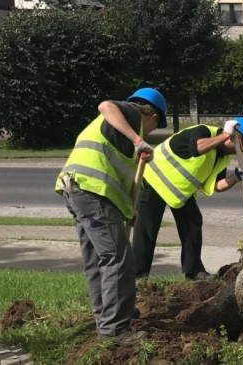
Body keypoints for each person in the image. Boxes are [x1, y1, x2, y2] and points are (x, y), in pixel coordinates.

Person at [56, 87, 168, 346]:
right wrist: (137, 139)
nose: (149, 133)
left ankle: (107, 316)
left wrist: (130, 210)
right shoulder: (131, 114)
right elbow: (106, 105)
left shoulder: (120, 134)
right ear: (151, 116)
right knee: (118, 258)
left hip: (76, 190)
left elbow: (122, 180)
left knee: (98, 259)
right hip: (91, 193)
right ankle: (115, 329)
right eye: (154, 127)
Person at [132, 117, 243, 280]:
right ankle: (137, 276)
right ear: (234, 136)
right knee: (147, 230)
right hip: (153, 180)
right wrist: (225, 135)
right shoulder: (203, 131)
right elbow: (196, 148)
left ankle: (193, 271)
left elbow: (216, 186)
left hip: (178, 192)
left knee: (193, 223)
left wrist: (235, 177)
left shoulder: (223, 157)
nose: (242, 150)